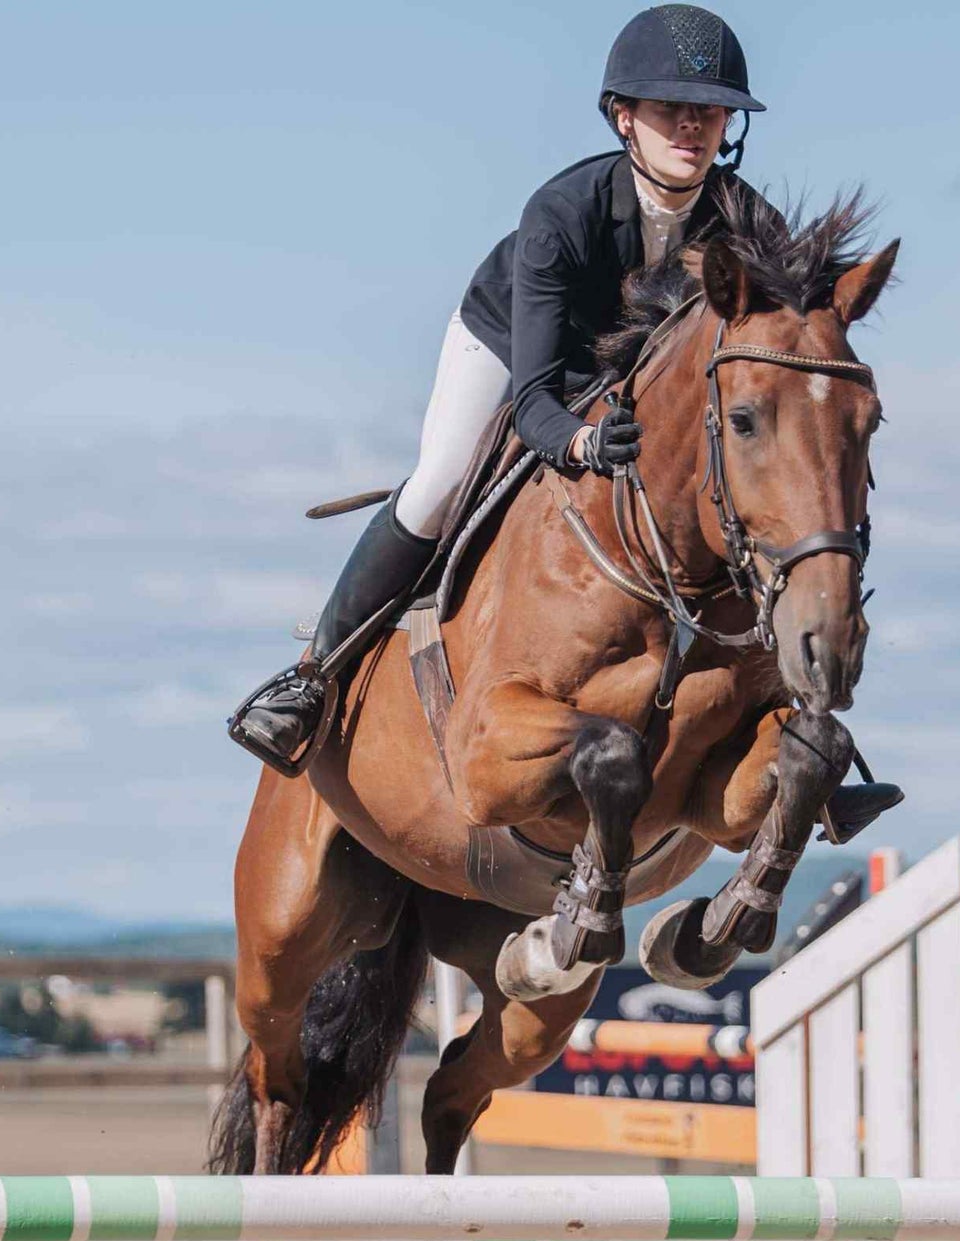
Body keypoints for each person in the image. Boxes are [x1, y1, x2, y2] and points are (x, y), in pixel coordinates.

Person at [234, 6, 766, 766]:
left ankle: (792, 714)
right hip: (516, 346)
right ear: (623, 118)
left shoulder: (747, 224)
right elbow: (535, 400)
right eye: (667, 109)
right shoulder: (561, 214)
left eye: (709, 111)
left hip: (631, 374)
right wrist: (584, 442)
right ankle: (313, 678)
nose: (692, 127)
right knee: (443, 480)